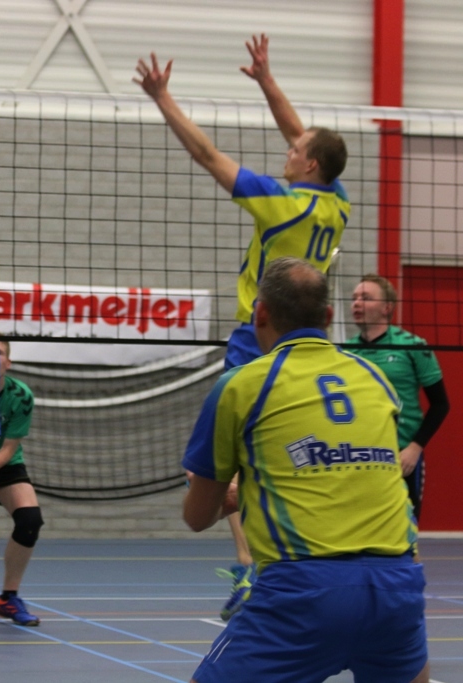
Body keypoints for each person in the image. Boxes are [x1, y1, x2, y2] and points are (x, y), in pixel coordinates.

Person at [135, 33, 351, 620]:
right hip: (310, 342)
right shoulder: (337, 203)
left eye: (295, 150)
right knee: (286, 451)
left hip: (257, 338)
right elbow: (304, 135)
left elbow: (208, 155)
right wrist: (266, 82)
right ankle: (281, 561)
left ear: (308, 165)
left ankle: (251, 568)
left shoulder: (280, 202)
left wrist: (162, 98)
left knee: (223, 461)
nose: (287, 149)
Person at [182, 257, 428, 683]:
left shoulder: (241, 384)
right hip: (398, 585)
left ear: (260, 313)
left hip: (304, 592)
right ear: (328, 316)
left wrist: (228, 496)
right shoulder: (375, 380)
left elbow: (197, 516)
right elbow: (362, 474)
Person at [348, 274, 450, 521]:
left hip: (401, 457)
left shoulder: (413, 345)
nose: (357, 303)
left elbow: (441, 404)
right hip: (358, 456)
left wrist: (415, 448)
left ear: (387, 308)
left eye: (366, 298)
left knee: (406, 528)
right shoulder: (345, 350)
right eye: (354, 298)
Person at [0, 339, 43, 626]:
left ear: (8, 362)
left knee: (30, 520)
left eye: (0, 352)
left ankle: (8, 597)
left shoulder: (20, 396)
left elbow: (7, 450)